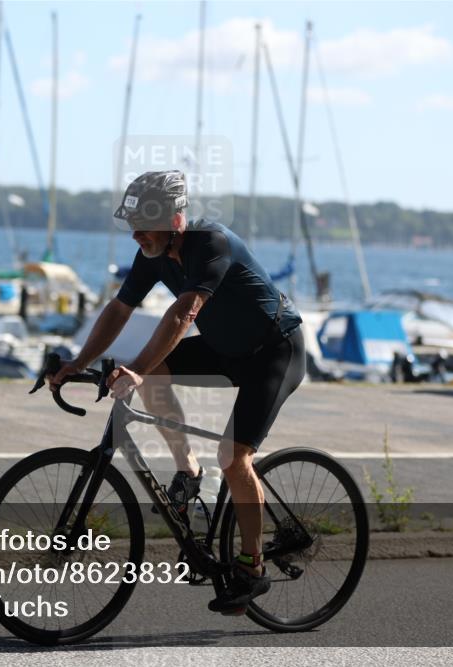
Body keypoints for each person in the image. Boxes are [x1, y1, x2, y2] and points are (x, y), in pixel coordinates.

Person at [49, 171, 306, 614]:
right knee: (155, 374)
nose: (136, 235)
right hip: (225, 348)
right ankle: (188, 472)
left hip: (274, 351)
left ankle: (252, 566)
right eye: (132, 225)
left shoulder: (211, 244)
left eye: (144, 225)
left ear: (174, 221)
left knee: (233, 459)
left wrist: (136, 370)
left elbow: (184, 313)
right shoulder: (152, 253)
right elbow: (119, 308)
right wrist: (77, 361)